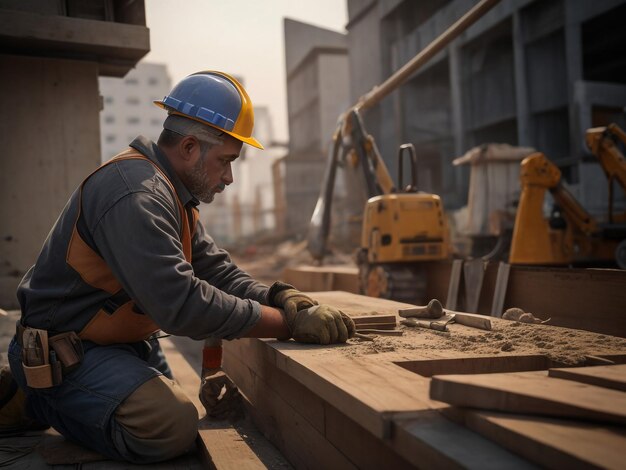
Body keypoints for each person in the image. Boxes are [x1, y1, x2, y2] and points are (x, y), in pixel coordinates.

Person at [3, 71, 355, 463]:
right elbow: (181, 304)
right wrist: (287, 325)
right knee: (171, 428)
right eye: (225, 161)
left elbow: (218, 272)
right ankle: (36, 397)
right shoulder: (136, 194)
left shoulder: (175, 196)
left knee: (173, 409)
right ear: (189, 147)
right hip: (66, 351)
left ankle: (63, 396)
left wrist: (282, 297)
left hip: (118, 346)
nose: (229, 177)